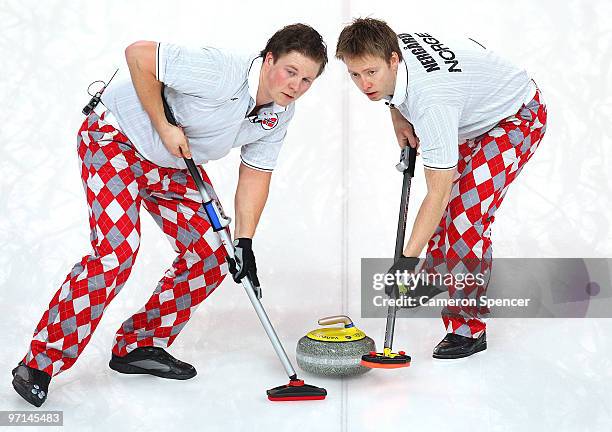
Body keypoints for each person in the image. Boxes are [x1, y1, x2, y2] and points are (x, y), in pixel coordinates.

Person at [12, 23, 327, 407]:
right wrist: (163, 125)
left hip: (173, 162)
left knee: (215, 253)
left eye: (307, 80)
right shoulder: (221, 72)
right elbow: (138, 55)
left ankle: (139, 344)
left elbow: (256, 174)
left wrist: (244, 242)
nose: (295, 85)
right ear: (269, 59)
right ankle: (39, 363)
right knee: (117, 252)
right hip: (116, 139)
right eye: (290, 71)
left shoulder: (279, 113)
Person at [336, 18, 547, 359]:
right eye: (355, 75)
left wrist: (405, 260)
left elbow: (438, 192)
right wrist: (397, 114)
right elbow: (396, 90)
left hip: (516, 117)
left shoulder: (432, 104)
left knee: (464, 218)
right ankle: (436, 277)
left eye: (371, 73)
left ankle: (468, 329)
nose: (364, 84)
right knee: (449, 210)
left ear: (393, 60)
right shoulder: (390, 47)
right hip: (467, 111)